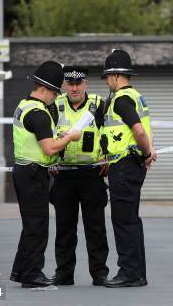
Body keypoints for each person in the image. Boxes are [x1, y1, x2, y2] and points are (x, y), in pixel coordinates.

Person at [10, 61, 81, 288]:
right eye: (54, 92)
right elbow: (49, 149)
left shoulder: (24, 105)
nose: (54, 97)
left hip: (24, 170)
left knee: (30, 224)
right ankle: (32, 275)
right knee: (37, 226)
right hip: (33, 173)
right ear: (44, 89)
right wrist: (69, 138)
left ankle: (21, 271)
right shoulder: (39, 114)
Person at [101, 49, 157, 288]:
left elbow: (139, 131)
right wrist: (146, 153)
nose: (106, 81)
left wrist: (146, 152)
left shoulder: (122, 99)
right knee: (131, 219)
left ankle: (128, 272)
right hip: (131, 165)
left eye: (107, 76)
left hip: (123, 166)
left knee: (123, 220)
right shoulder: (136, 96)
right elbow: (143, 130)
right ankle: (138, 273)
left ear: (115, 75)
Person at [49, 66, 109, 286]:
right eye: (70, 84)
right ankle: (64, 273)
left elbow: (110, 134)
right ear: (64, 85)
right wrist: (50, 162)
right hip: (63, 175)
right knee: (64, 227)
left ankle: (99, 273)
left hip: (92, 173)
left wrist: (108, 158)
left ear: (85, 84)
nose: (74, 88)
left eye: (78, 83)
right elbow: (45, 138)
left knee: (96, 227)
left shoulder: (99, 104)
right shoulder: (55, 106)